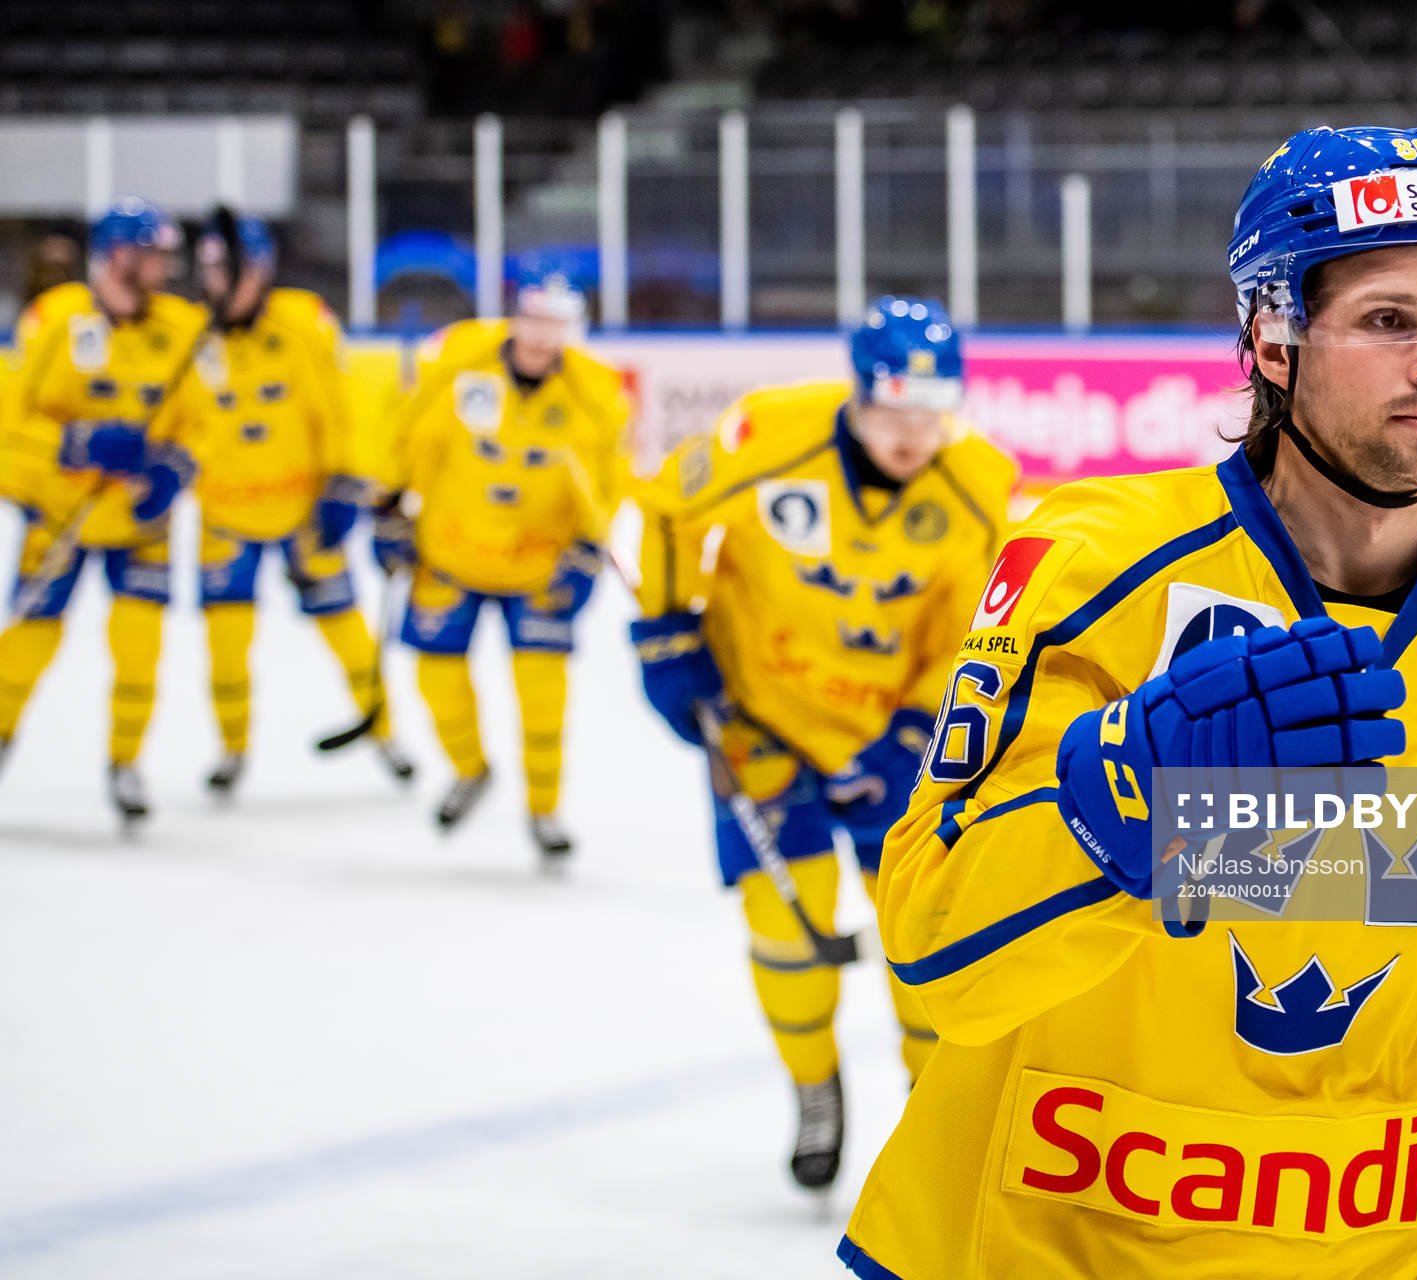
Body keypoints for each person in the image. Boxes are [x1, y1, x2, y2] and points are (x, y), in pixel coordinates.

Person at [840, 128, 1417, 1278]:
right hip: (1048, 1239)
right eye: (1388, 319)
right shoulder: (1088, 569)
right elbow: (933, 948)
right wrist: (1119, 802)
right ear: (1272, 336)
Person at [631, 296, 1018, 1191]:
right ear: (858, 392)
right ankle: (813, 1089)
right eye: (895, 411)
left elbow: (983, 629)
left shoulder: (978, 485)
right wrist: (664, 632)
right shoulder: (765, 435)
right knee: (784, 927)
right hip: (759, 718)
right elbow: (659, 512)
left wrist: (924, 734)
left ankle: (936, 1111)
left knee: (925, 939)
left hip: (897, 740)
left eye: (934, 413)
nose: (914, 435)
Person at [373, 269, 628, 866]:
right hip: (450, 551)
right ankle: (470, 769)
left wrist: (591, 546)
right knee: (436, 675)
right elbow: (410, 434)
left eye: (556, 324)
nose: (542, 337)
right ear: (515, 316)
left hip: (539, 564)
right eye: (534, 320)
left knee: (543, 695)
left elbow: (610, 479)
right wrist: (387, 503)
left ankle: (544, 810)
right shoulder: (460, 362)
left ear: (573, 329)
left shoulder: (596, 391)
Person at [174, 208, 414, 795]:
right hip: (225, 515)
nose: (225, 282)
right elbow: (174, 426)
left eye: (234, 269)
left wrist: (343, 483)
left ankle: (385, 733)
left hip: (305, 512)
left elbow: (339, 406)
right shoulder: (184, 336)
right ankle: (231, 749)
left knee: (344, 627)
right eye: (212, 269)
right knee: (226, 642)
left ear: (261, 270)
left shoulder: (303, 322)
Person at [0, 197, 205, 821]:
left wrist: (177, 468)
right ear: (118, 256)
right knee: (28, 643)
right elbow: (12, 421)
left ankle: (125, 763)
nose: (164, 269)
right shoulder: (54, 319)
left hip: (141, 519)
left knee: (140, 648)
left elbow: (205, 423)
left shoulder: (184, 327)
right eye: (153, 256)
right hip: (62, 514)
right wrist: (73, 443)